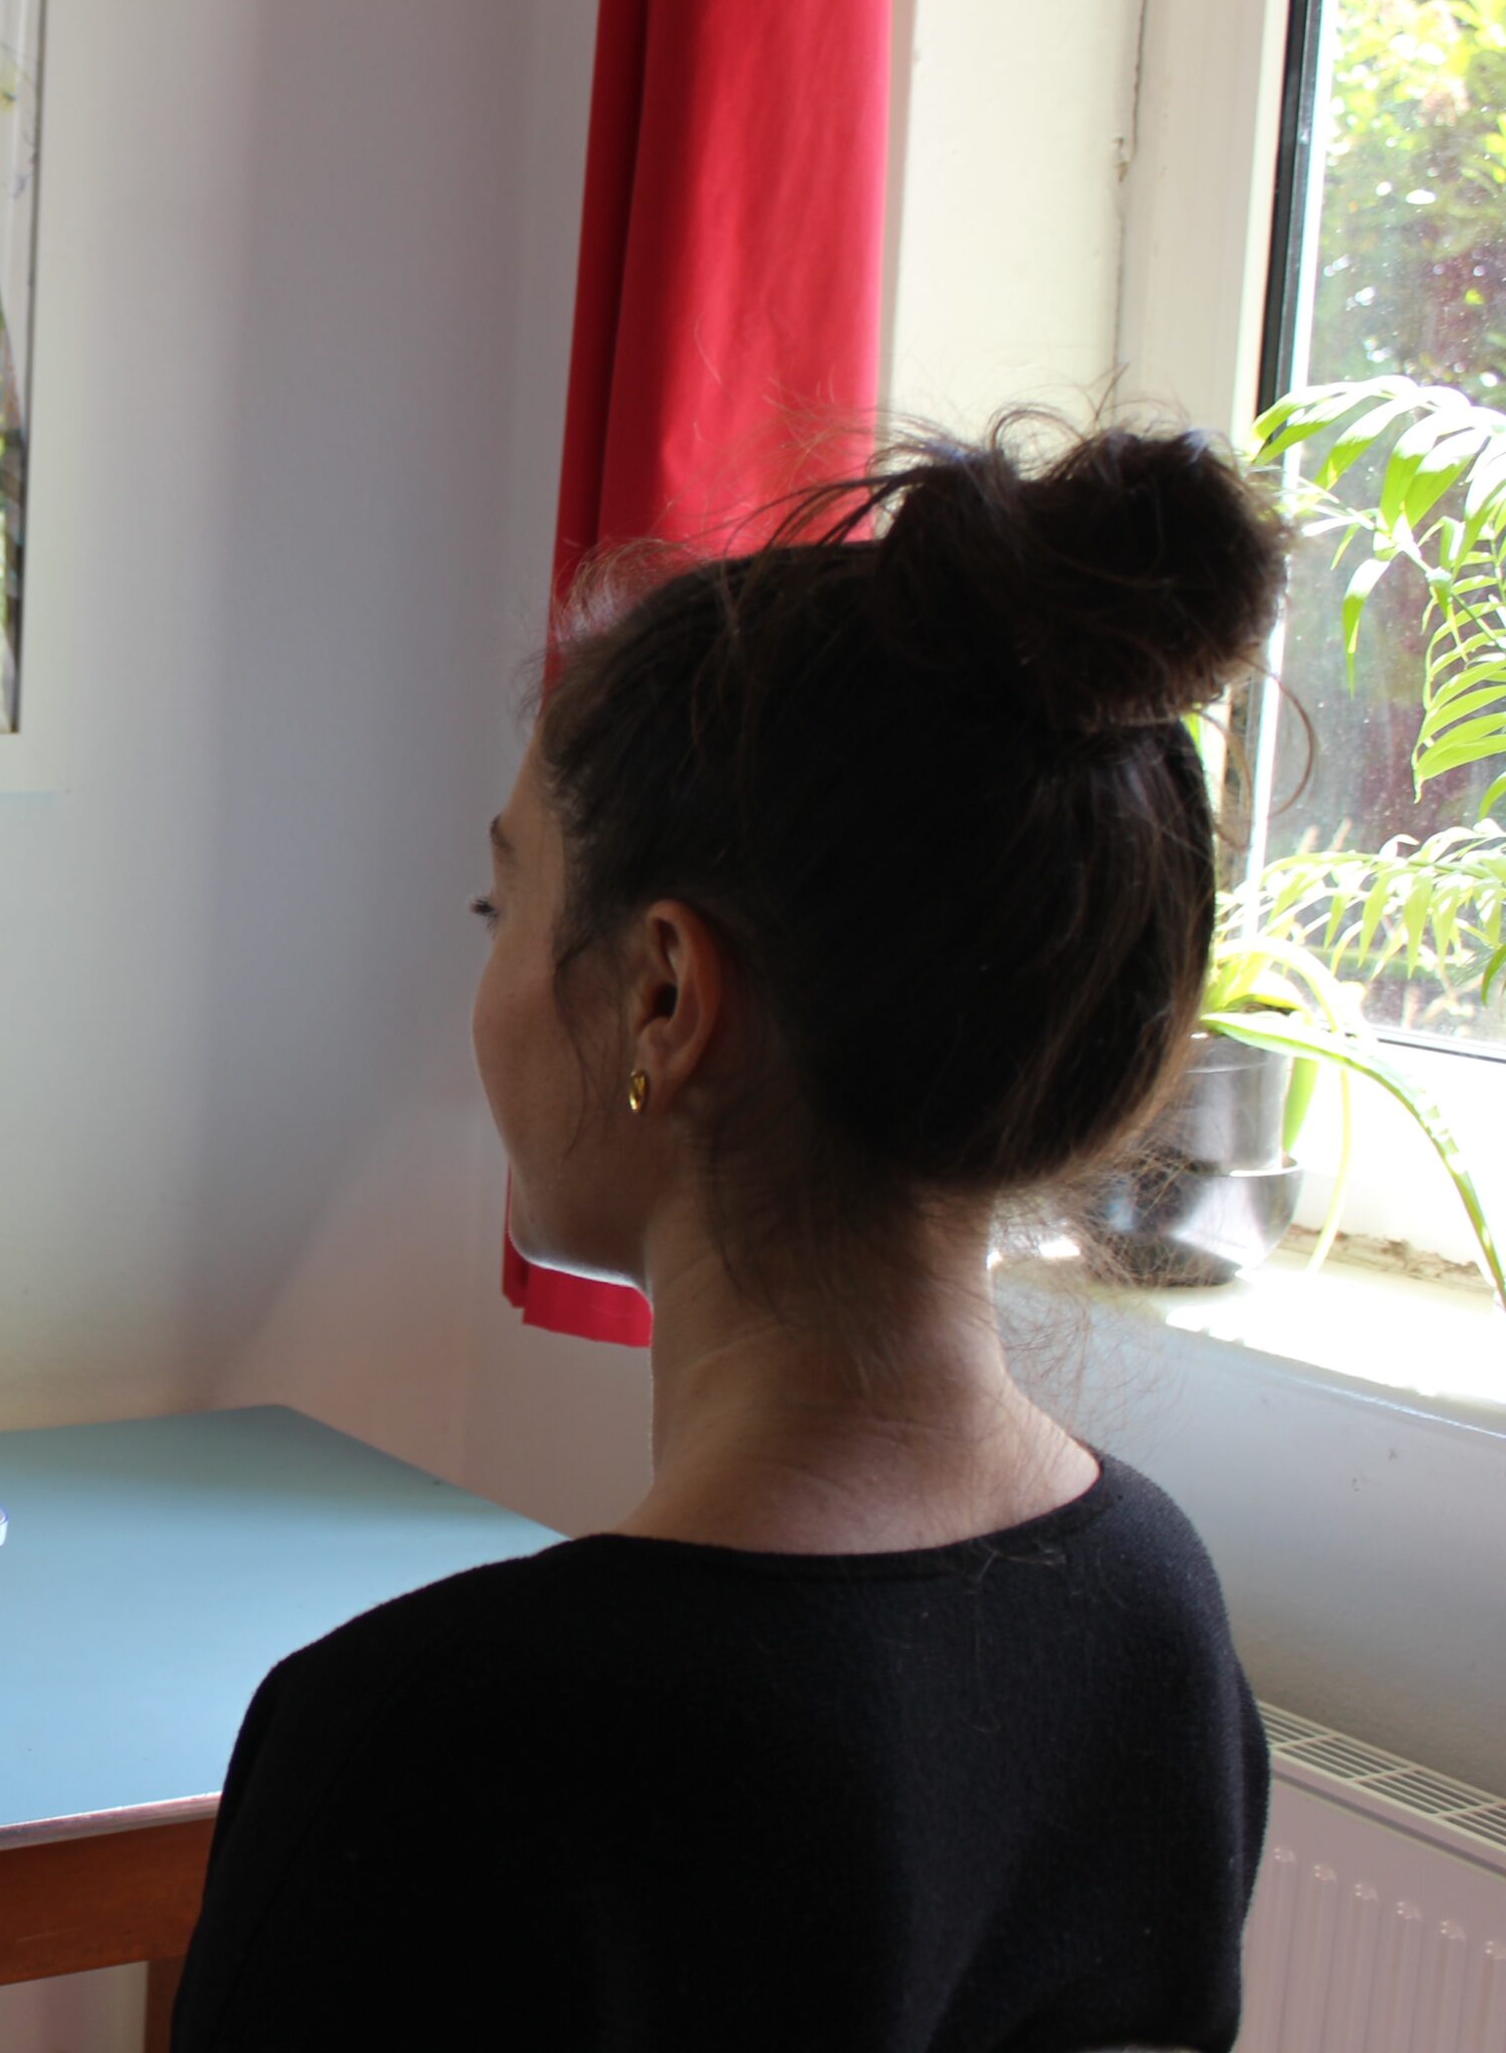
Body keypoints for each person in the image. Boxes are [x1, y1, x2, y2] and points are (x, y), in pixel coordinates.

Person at [171, 421, 1287, 2051]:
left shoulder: (437, 1745)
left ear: (664, 996)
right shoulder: (1155, 1615)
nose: (483, 982)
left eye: (506, 910)